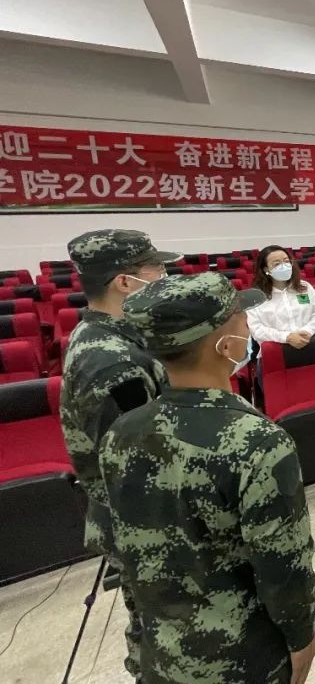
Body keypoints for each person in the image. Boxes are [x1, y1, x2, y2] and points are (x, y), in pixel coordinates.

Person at [101, 272, 315, 683]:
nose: (248, 329)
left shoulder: (121, 433)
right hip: (242, 658)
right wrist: (303, 639)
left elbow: (122, 545)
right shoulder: (258, 443)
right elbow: (283, 569)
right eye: (242, 320)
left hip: (162, 650)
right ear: (226, 345)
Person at [60, 229, 179, 680]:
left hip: (143, 517)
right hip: (147, 526)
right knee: (163, 638)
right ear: (126, 283)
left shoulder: (111, 335)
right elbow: (142, 467)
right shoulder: (114, 363)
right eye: (157, 270)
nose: (165, 277)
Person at [248, 244, 315, 351]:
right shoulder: (256, 297)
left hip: (308, 344)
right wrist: (287, 337)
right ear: (266, 269)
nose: (284, 266)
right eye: (277, 264)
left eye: (286, 261)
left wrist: (307, 331)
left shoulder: (305, 287)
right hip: (275, 351)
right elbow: (256, 329)